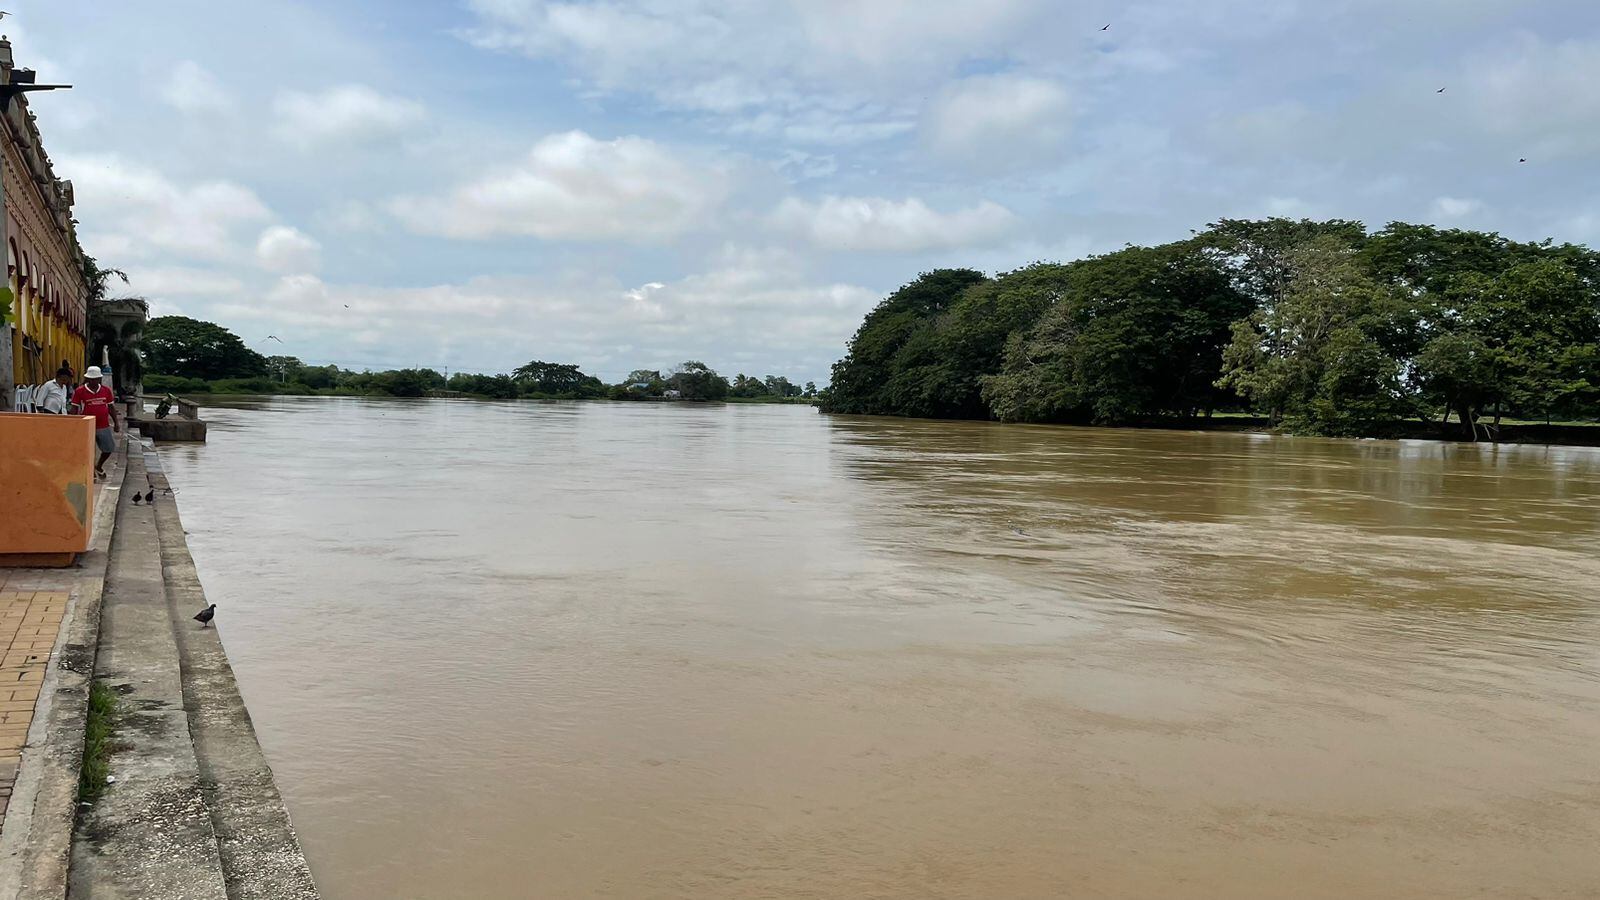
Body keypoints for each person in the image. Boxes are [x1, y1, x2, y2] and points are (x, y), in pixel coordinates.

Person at [71, 366, 121, 479]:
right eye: (91, 379)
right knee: (89, 451)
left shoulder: (106, 391)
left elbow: (111, 408)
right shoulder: (80, 391)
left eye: (96, 379)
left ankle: (99, 466)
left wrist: (116, 423)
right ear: (87, 379)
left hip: (103, 425)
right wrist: (73, 424)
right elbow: (74, 409)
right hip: (87, 426)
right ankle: (91, 472)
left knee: (108, 448)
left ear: (99, 379)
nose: (93, 381)